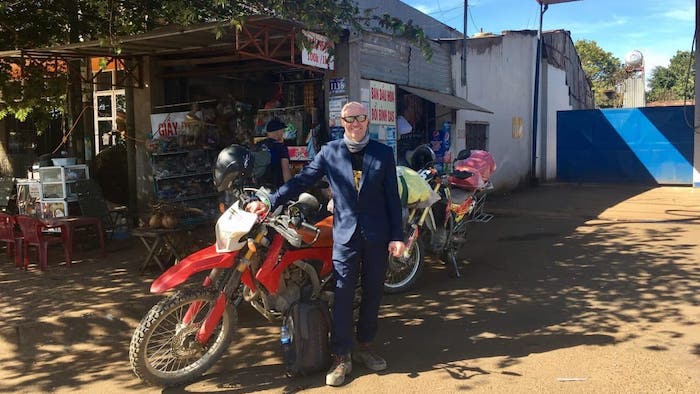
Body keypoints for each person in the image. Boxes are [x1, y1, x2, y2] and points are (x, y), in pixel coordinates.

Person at [247, 101, 406, 387]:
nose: (355, 124)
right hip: (344, 235)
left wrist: (398, 235)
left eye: (360, 118)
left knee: (372, 291)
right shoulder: (330, 152)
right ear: (341, 122)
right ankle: (341, 354)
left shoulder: (383, 153)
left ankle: (365, 344)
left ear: (367, 121)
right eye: (349, 119)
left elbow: (392, 199)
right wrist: (270, 200)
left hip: (377, 234)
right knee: (343, 293)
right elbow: (301, 181)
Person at [257, 118, 292, 189]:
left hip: (259, 189)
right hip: (276, 189)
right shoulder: (281, 147)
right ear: (278, 131)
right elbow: (286, 173)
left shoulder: (257, 145)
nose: (283, 133)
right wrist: (291, 189)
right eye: (283, 130)